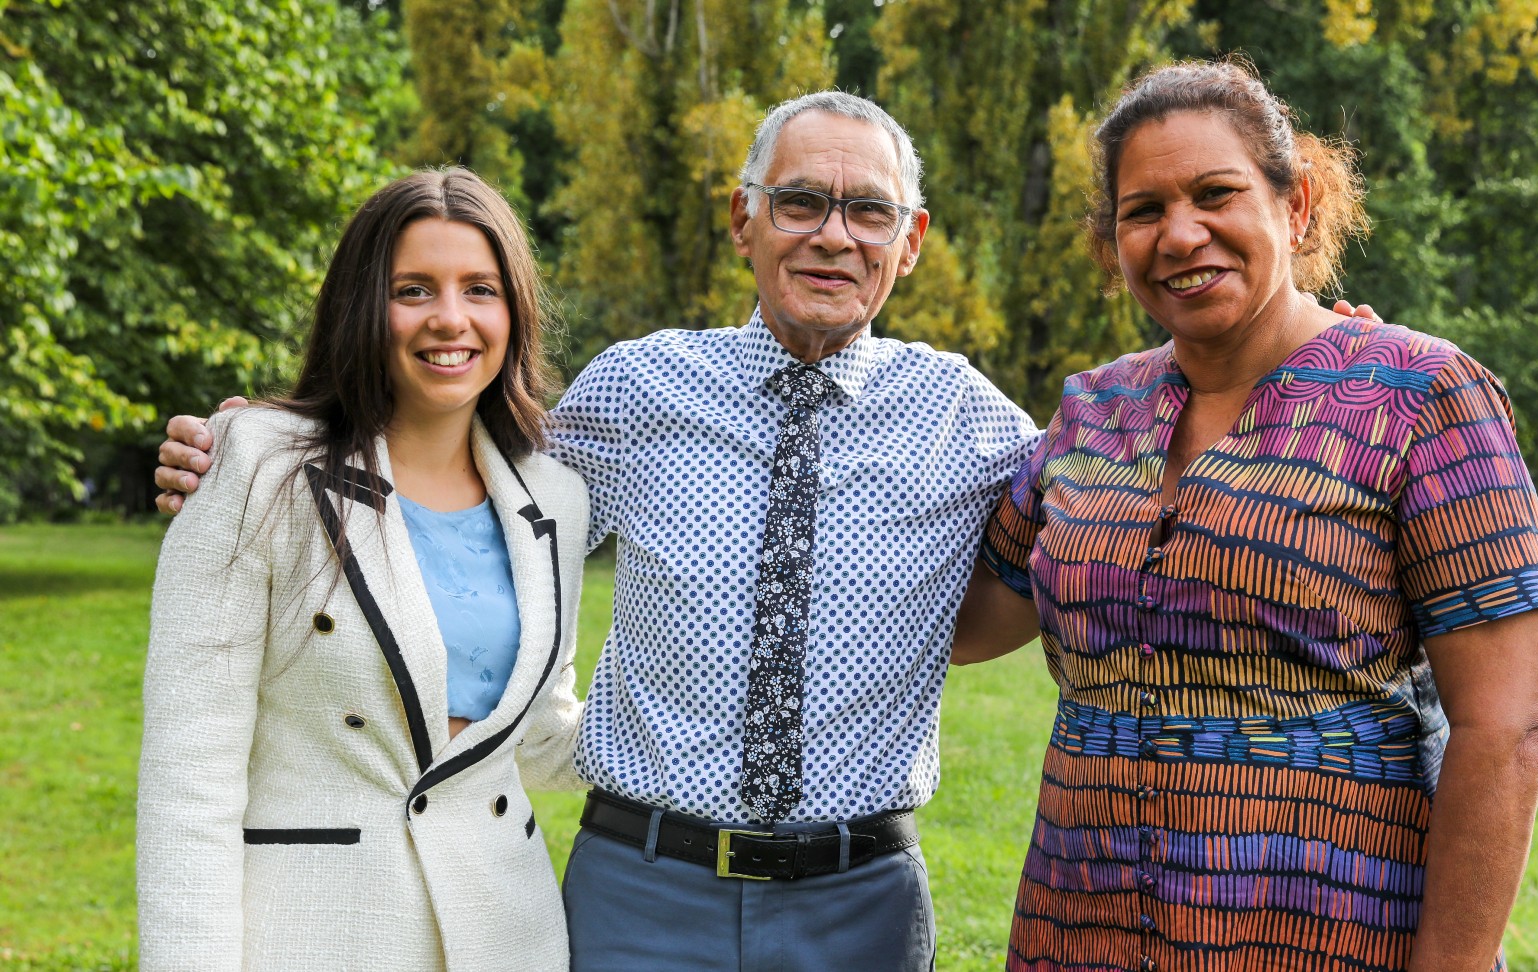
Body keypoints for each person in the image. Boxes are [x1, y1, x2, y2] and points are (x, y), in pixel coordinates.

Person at [152, 91, 1378, 970]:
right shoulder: (632, 393)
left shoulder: (978, 423)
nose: (829, 235)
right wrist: (270, 442)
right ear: (742, 221)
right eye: (798, 201)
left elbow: (1145, 460)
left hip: (859, 903)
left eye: (865, 210)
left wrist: (1311, 348)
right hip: (637, 891)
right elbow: (455, 482)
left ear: (912, 241)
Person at [952, 59, 1538, 972]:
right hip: (1080, 931)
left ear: (1297, 205)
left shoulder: (1419, 396)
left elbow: (1509, 728)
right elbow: (961, 624)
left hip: (1328, 933)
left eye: (1215, 193)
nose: (1180, 234)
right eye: (1143, 210)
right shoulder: (1094, 410)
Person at [137, 168, 589, 970]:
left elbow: (541, 735)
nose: (451, 318)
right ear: (361, 305)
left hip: (508, 935)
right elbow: (188, 783)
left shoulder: (552, 499)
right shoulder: (253, 467)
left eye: (479, 288)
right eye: (413, 289)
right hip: (320, 933)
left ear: (513, 312)